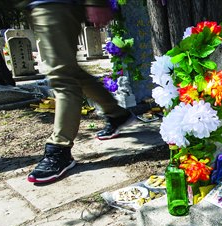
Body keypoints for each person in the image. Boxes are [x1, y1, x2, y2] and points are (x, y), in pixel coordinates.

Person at [19, 0, 136, 183]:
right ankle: (117, 113)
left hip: (56, 4)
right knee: (70, 72)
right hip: (41, 5)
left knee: (62, 76)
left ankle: (59, 149)